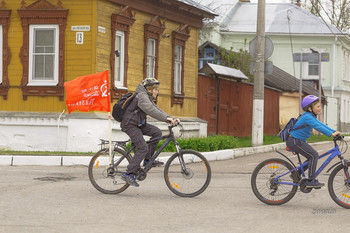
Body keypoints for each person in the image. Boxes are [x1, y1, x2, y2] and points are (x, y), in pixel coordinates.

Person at [120, 77, 180, 187]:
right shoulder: (141, 97)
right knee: (143, 148)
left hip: (138, 124)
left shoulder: (147, 97)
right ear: (149, 89)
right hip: (130, 125)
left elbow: (156, 109)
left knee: (156, 132)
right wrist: (166, 119)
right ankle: (128, 174)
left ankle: (148, 160)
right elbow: (151, 110)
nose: (157, 91)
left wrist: (171, 118)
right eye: (156, 89)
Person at [286, 95, 341, 188]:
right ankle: (311, 180)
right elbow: (318, 127)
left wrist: (333, 131)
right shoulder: (307, 117)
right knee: (314, 155)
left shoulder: (311, 116)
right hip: (294, 141)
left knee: (311, 156)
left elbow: (321, 125)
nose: (320, 108)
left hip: (298, 141)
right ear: (310, 108)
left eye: (320, 106)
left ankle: (296, 174)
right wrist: (331, 134)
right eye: (318, 106)